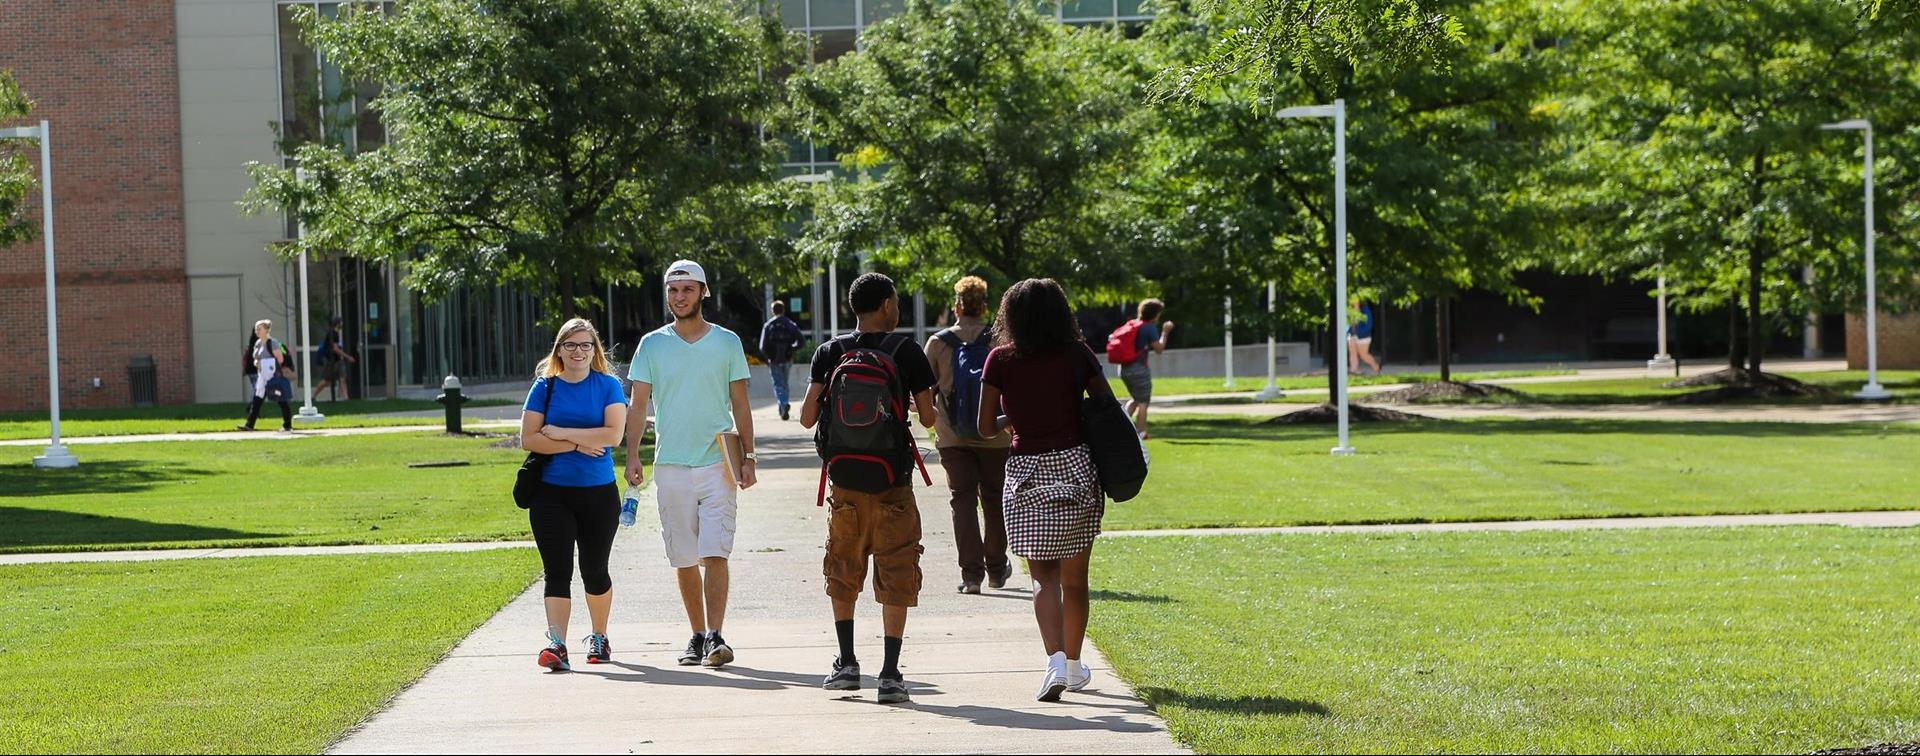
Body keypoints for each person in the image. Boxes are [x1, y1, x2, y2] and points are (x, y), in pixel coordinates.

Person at [800, 272, 936, 705]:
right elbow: (930, 419)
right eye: (894, 302)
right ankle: (891, 674)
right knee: (897, 568)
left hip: (845, 483)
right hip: (893, 483)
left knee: (842, 567)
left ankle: (846, 664)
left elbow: (807, 417)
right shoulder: (906, 350)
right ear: (884, 306)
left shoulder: (831, 351)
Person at [977, 278, 1109, 702]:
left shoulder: (1000, 360)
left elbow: (983, 427)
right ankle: (1073, 664)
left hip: (1026, 473)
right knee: (1076, 579)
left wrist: (1010, 420)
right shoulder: (1077, 354)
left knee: (1042, 577)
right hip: (1075, 468)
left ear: (1009, 316)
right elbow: (1105, 406)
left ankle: (1053, 660)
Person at [625, 260, 758, 670]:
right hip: (670, 464)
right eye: (672, 290)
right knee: (682, 555)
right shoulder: (651, 345)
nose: (679, 297)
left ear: (703, 292)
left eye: (687, 289)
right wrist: (632, 454)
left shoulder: (727, 342)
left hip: (718, 462)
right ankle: (697, 634)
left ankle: (717, 635)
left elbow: (740, 403)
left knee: (715, 549)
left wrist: (749, 456)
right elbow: (638, 404)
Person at [521, 318, 629, 672]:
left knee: (595, 570)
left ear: (595, 350)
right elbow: (530, 439)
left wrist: (562, 434)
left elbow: (613, 436)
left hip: (598, 494)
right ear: (559, 350)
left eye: (585, 345)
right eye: (570, 345)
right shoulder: (545, 387)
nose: (578, 352)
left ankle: (599, 637)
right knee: (557, 570)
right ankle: (558, 644)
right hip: (550, 495)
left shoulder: (608, 385)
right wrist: (580, 442)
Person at [924, 276, 1012, 595]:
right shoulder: (1001, 341)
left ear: (957, 306)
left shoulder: (938, 343)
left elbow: (923, 390)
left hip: (953, 437)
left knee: (962, 501)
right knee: (994, 500)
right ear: (984, 307)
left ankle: (971, 576)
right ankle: (997, 569)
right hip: (997, 435)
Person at [1120, 300, 1173, 439]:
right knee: (1143, 401)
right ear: (1155, 314)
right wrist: (1165, 332)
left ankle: (1121, 427)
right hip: (1139, 369)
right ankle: (1141, 433)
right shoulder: (1148, 327)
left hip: (1124, 368)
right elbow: (1159, 348)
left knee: (1136, 399)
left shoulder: (1132, 324)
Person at [237, 319, 294, 432]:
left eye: (260, 329)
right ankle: (249, 425)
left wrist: (271, 366)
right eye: (256, 329)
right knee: (257, 399)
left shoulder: (272, 342)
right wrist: (257, 363)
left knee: (281, 399)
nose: (257, 331)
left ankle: (287, 425)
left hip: (272, 374)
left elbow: (280, 359)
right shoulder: (257, 343)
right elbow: (255, 359)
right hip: (262, 374)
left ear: (267, 330)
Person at [759, 300, 804, 421]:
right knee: (784, 384)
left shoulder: (768, 325)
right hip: (787, 358)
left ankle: (784, 405)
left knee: (778, 384)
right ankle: (783, 409)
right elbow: (801, 341)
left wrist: (769, 357)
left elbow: (762, 347)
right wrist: (791, 349)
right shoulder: (790, 324)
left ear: (773, 311)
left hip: (774, 360)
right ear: (783, 310)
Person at [312, 316, 358, 401]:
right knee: (326, 380)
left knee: (342, 378)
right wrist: (347, 357)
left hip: (339, 360)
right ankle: (313, 396)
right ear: (337, 323)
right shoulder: (333, 334)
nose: (342, 324)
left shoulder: (336, 334)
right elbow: (335, 349)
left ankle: (346, 398)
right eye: (341, 322)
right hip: (332, 360)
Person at [1348, 300, 1382, 376]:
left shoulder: (1365, 311)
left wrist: (1359, 333)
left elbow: (1368, 325)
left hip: (1363, 336)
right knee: (1352, 353)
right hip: (1352, 335)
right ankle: (1353, 370)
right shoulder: (1349, 310)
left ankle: (1376, 367)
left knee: (1363, 355)